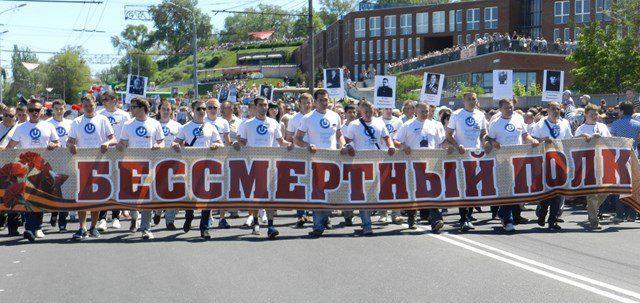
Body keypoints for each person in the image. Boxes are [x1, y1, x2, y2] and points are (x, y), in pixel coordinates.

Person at [233, 97, 294, 239]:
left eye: (266, 105)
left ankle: (271, 226)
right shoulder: (247, 124)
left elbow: (280, 141)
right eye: (261, 105)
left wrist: (289, 144)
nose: (264, 107)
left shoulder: (273, 123)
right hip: (253, 165)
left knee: (270, 196)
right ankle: (255, 222)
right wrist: (237, 142)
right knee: (255, 196)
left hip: (271, 166)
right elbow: (242, 141)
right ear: (255, 107)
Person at [3, 99, 60, 242]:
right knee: (27, 198)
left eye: (37, 110)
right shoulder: (21, 127)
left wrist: (54, 144)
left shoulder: (49, 126)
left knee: (39, 198)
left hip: (44, 166)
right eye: (31, 110)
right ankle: (29, 228)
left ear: (42, 111)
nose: (34, 113)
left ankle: (38, 227)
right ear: (27, 112)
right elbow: (11, 146)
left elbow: (57, 142)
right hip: (25, 168)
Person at [294, 89, 344, 237]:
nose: (324, 102)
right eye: (321, 100)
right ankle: (317, 225)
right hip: (315, 161)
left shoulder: (335, 116)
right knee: (317, 192)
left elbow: (339, 135)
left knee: (329, 191)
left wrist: (343, 145)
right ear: (315, 102)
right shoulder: (308, 118)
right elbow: (297, 139)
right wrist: (307, 146)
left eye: (326, 100)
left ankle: (326, 219)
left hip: (333, 160)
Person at [341, 101, 396, 235]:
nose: (368, 114)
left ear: (374, 111)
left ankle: (371, 218)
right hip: (360, 165)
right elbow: (346, 141)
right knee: (363, 195)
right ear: (361, 112)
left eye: (370, 111)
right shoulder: (354, 125)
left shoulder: (379, 123)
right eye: (365, 111)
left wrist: (391, 146)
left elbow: (387, 137)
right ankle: (367, 224)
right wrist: (349, 147)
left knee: (374, 194)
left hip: (377, 164)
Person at [172, 100, 224, 239]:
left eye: (204, 109)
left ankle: (204, 228)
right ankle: (189, 216)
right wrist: (176, 145)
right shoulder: (185, 127)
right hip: (190, 166)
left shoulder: (211, 127)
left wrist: (216, 145)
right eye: (199, 109)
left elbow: (220, 142)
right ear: (193, 110)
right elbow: (176, 141)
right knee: (191, 196)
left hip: (207, 166)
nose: (202, 111)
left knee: (206, 197)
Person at [485, 99, 539, 232]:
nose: (509, 110)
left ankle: (503, 212)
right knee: (508, 190)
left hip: (518, 159)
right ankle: (508, 220)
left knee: (516, 190)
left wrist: (532, 140)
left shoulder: (519, 118)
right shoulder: (495, 122)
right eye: (506, 108)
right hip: (502, 160)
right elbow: (488, 138)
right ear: (500, 109)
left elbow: (525, 135)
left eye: (511, 107)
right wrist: (493, 142)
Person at [68, 95, 116, 240]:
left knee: (96, 197)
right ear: (82, 106)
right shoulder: (76, 121)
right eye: (86, 106)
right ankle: (82, 227)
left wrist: (107, 144)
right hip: (82, 164)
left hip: (99, 163)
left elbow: (113, 139)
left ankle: (93, 227)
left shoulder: (103, 119)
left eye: (91, 105)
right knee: (82, 197)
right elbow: (69, 142)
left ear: (95, 104)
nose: (88, 108)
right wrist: (72, 146)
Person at [116, 97, 164, 239]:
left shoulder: (155, 123)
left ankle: (146, 228)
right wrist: (119, 145)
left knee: (147, 198)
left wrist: (158, 146)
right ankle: (134, 216)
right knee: (134, 198)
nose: (131, 109)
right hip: (132, 166)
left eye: (133, 106)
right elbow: (123, 142)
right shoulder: (128, 124)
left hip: (150, 166)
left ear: (142, 108)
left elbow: (161, 141)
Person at [394, 102, 446, 232]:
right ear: (416, 111)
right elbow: (396, 141)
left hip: (431, 165)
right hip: (413, 164)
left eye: (427, 111)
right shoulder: (408, 125)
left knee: (432, 192)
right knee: (414, 192)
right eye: (422, 111)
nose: (425, 114)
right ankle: (412, 217)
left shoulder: (435, 125)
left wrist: (450, 148)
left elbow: (442, 142)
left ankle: (436, 219)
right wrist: (403, 147)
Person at [445, 92, 487, 231]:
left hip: (476, 155)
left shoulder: (480, 115)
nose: (471, 101)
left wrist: (485, 142)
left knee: (473, 188)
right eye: (469, 99)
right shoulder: (457, 115)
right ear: (463, 101)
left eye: (474, 99)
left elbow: (483, 133)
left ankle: (469, 216)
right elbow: (448, 134)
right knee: (463, 188)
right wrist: (457, 146)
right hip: (461, 156)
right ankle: (463, 218)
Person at [531, 101, 573, 230]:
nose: (556, 111)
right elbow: (533, 141)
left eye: (558, 109)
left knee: (558, 192)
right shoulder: (540, 124)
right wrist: (542, 140)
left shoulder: (564, 123)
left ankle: (553, 220)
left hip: (560, 162)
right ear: (547, 110)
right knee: (547, 191)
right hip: (545, 162)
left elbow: (569, 141)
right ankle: (542, 214)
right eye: (553, 108)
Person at [574, 103, 612, 229]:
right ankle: (594, 220)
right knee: (591, 193)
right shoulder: (581, 129)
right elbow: (573, 145)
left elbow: (610, 141)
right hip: (588, 163)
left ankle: (592, 207)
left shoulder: (602, 126)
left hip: (602, 162)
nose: (595, 116)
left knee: (607, 190)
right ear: (586, 115)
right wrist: (584, 137)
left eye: (596, 114)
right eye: (592, 114)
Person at [96, 90, 130, 231]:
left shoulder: (124, 115)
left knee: (117, 185)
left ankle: (116, 216)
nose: (104, 102)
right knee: (103, 184)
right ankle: (102, 218)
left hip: (120, 153)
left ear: (115, 100)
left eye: (107, 99)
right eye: (103, 99)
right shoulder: (100, 115)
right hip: (104, 153)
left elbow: (128, 133)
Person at [285, 93, 314, 227]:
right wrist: (294, 142)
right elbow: (289, 136)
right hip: (299, 154)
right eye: (304, 103)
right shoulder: (293, 119)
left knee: (315, 185)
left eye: (309, 102)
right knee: (301, 184)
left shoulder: (315, 116)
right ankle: (301, 214)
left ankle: (317, 213)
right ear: (299, 104)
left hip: (315, 154)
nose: (307, 105)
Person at [204, 98, 233, 228]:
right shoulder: (202, 122)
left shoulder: (223, 122)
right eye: (209, 107)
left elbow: (227, 141)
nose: (212, 110)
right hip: (206, 159)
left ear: (219, 109)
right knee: (208, 188)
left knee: (222, 188)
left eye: (214, 107)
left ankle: (222, 217)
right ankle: (209, 216)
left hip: (221, 158)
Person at [609, 101, 640, 223]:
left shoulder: (615, 124)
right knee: (634, 186)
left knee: (620, 187)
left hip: (619, 157)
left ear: (621, 111)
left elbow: (612, 141)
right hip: (634, 156)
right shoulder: (638, 124)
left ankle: (619, 214)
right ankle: (632, 215)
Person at [46, 99, 73, 231]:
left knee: (66, 189)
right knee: (54, 188)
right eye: (56, 108)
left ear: (64, 109)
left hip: (67, 159)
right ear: (52, 109)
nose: (59, 111)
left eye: (61, 108)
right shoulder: (47, 124)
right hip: (52, 160)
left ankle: (63, 218)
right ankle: (54, 212)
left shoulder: (71, 123)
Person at [157, 100, 183, 230]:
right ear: (159, 110)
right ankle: (157, 211)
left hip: (173, 162)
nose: (166, 111)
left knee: (172, 191)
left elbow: (183, 143)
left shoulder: (178, 126)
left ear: (171, 111)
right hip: (156, 161)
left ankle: (170, 220)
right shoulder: (154, 124)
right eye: (163, 109)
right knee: (158, 189)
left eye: (168, 109)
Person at [0, 106, 20, 236]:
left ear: (16, 116)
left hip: (14, 167)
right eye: (6, 115)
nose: (8, 118)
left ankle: (13, 227)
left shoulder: (20, 128)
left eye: (11, 116)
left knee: (13, 197)